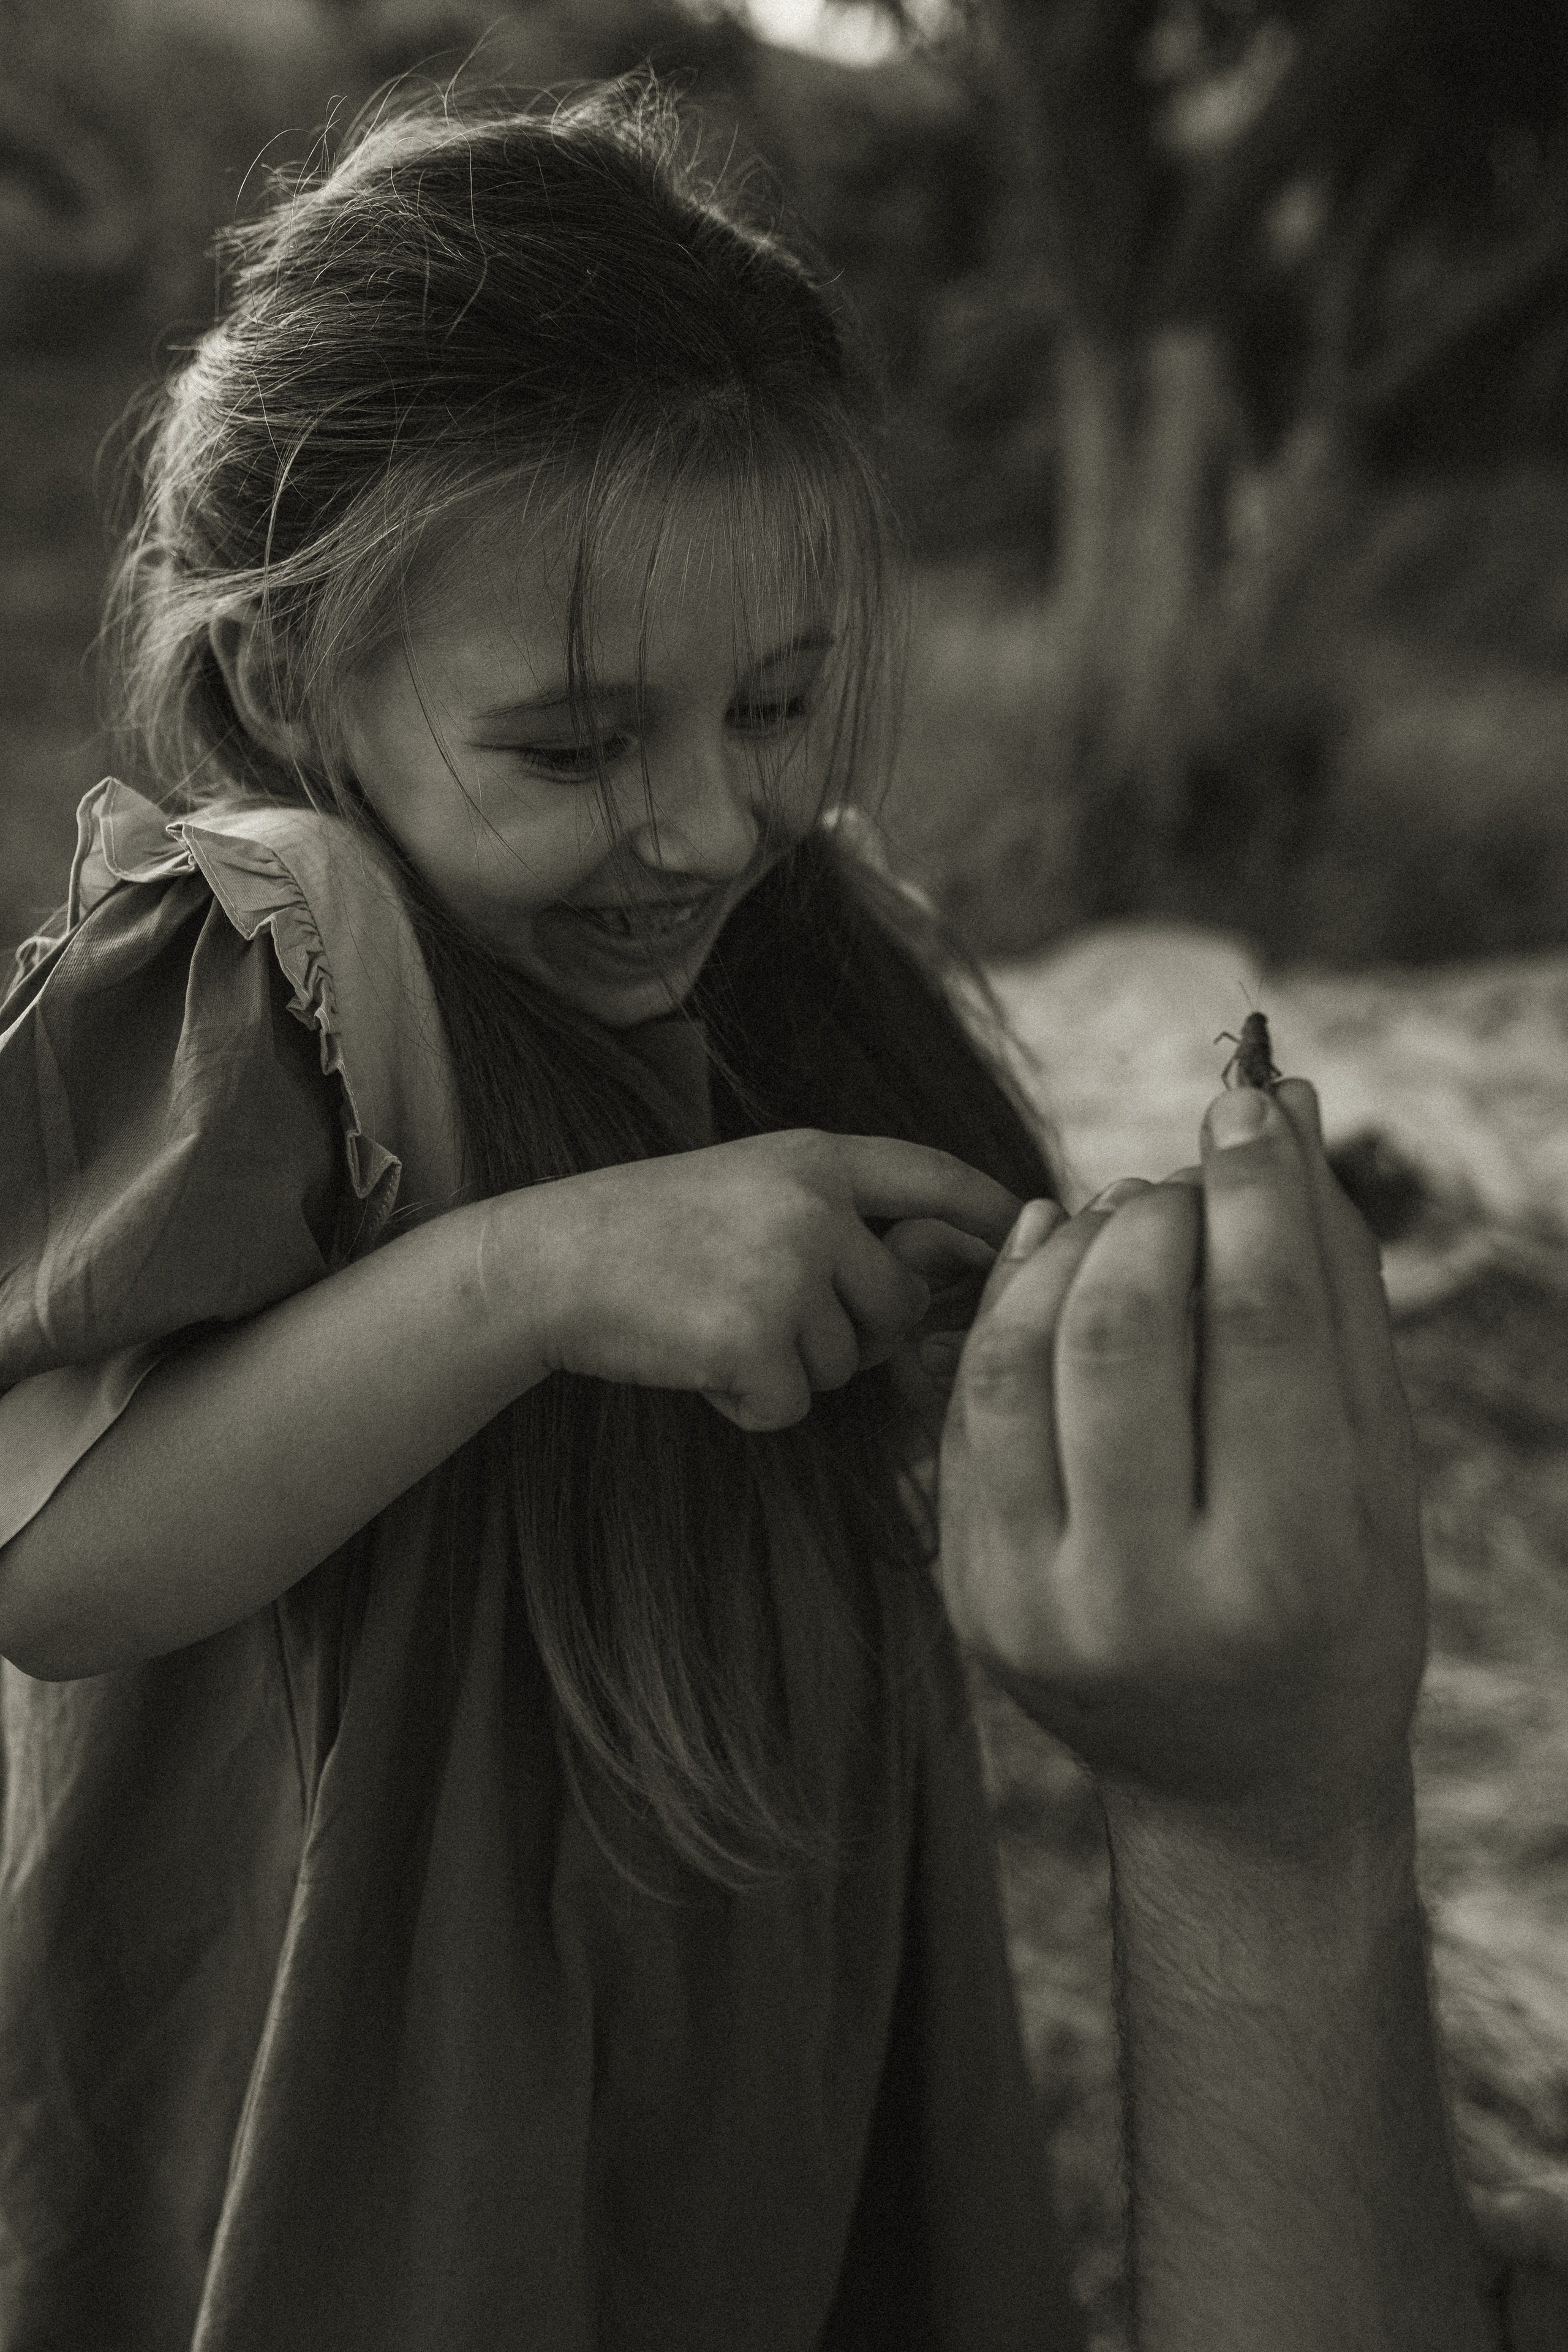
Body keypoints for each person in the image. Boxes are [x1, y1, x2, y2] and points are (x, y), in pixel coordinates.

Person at [0, 83, 1492, 2351]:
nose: (707, 822)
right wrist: (538, 1274)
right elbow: (53, 1568)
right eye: (581, 747)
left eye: (779, 703)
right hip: (393, 2110)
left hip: (743, 2010)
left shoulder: (790, 936)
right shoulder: (278, 967)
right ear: (299, 678)